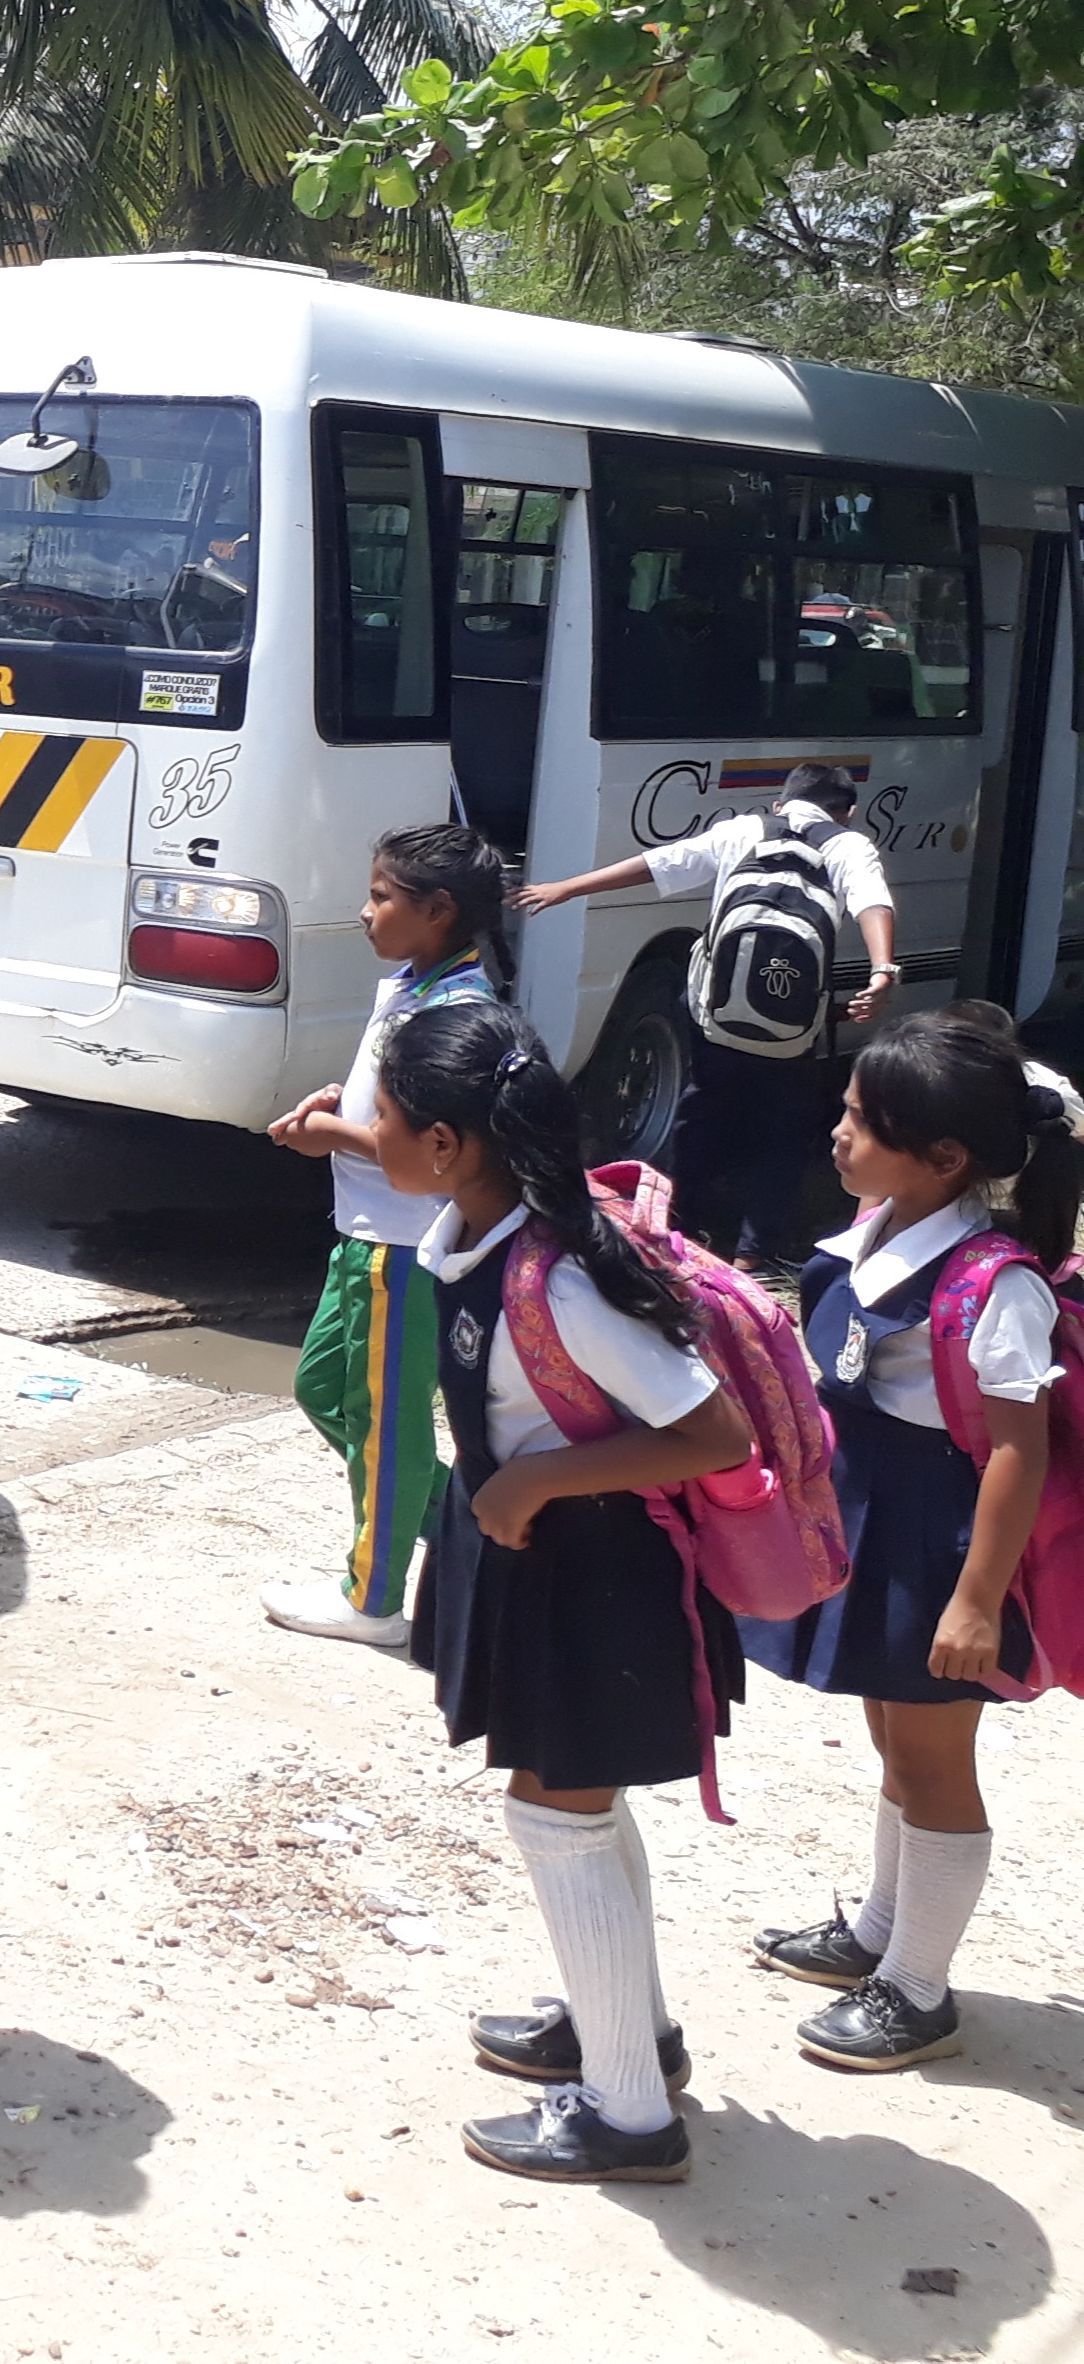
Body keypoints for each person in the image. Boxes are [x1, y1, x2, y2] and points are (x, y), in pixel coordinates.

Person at [369, 1001, 755, 2186]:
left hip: (597, 1581)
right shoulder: (480, 1229)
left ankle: (630, 2118)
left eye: (382, 1117)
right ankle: (628, 2034)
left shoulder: (560, 1279)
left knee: (558, 1816)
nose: (371, 1134)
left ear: (447, 1145)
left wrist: (539, 1476)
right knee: (579, 1808)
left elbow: (715, 1434)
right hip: (544, 1559)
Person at [738, 1005, 1072, 2072]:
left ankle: (918, 1990)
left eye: (864, 1121)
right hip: (877, 1531)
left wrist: (975, 1600)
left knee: (933, 1761)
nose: (839, 1133)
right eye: (845, 1110)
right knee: (895, 1740)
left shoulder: (994, 1282)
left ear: (945, 1158)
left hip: (937, 1548)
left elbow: (1016, 1450)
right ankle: (881, 1931)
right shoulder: (877, 1232)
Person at [261, 824, 511, 1646]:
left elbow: (439, 1155)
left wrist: (335, 1134)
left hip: (407, 1244)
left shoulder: (457, 1010)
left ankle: (373, 1601)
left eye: (380, 896)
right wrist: (344, 1103)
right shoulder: (410, 985)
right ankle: (469, 1528)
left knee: (387, 1422)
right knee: (326, 1392)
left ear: (437, 910)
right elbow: (396, 1107)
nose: (364, 911)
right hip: (363, 1234)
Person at [520, 765, 898, 1269]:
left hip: (714, 1017)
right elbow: (873, 901)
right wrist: (882, 969)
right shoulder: (848, 846)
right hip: (791, 1031)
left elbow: (659, 864)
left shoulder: (744, 830)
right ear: (846, 812)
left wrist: (567, 888)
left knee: (701, 1115)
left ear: (781, 802)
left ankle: (684, 1234)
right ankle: (753, 1252)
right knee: (783, 1130)